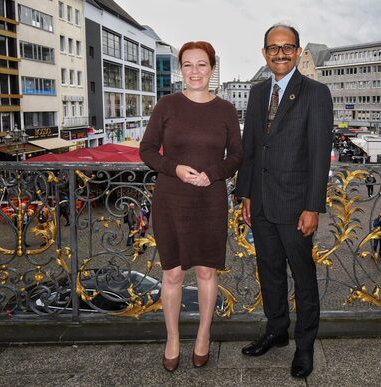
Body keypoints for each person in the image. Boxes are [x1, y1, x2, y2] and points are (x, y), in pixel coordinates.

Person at [235, 24, 333, 379]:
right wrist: (245, 194)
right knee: (270, 272)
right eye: (273, 48)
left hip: (295, 207)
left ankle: (304, 346)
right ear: (264, 52)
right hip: (260, 203)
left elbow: (320, 155)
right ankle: (276, 330)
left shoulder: (316, 93)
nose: (280, 53)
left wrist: (313, 207)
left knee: (303, 278)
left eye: (287, 47)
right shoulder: (258, 93)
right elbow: (251, 150)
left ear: (297, 50)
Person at [139, 41, 243, 373]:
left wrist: (212, 175)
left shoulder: (226, 109)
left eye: (201, 64)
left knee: (205, 271)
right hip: (171, 198)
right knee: (171, 273)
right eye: (187, 64)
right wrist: (176, 168)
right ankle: (171, 339)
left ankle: (203, 335)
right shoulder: (167, 104)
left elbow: (238, 155)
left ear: (212, 69)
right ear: (180, 69)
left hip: (210, 199)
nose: (195, 71)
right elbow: (148, 150)